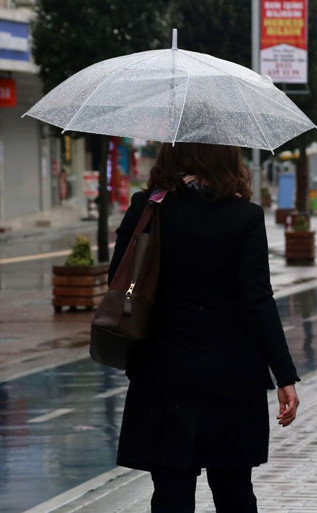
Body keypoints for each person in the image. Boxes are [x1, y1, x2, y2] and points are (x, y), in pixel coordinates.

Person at [109, 142, 301, 512]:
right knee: (234, 491)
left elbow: (117, 281)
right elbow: (258, 300)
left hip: (163, 371)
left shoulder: (148, 209)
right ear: (227, 158)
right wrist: (285, 376)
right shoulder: (244, 216)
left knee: (171, 494)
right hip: (231, 375)